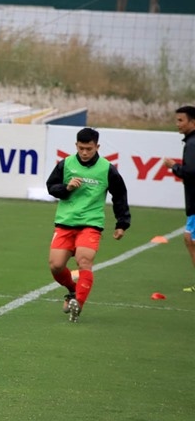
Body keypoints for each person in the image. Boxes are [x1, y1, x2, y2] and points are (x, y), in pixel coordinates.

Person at [46, 127, 131, 321]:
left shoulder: (106, 168)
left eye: (89, 149)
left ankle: (79, 303)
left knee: (84, 261)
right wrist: (66, 188)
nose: (84, 152)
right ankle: (73, 290)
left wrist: (122, 223)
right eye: (81, 148)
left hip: (91, 223)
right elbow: (51, 187)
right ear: (76, 145)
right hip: (65, 222)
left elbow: (119, 195)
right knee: (56, 266)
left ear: (97, 146)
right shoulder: (66, 164)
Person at [163, 106, 195, 292]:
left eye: (181, 120)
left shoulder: (192, 144)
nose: (177, 124)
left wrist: (173, 166)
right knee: (189, 239)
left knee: (189, 239)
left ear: (192, 122)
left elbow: (191, 172)